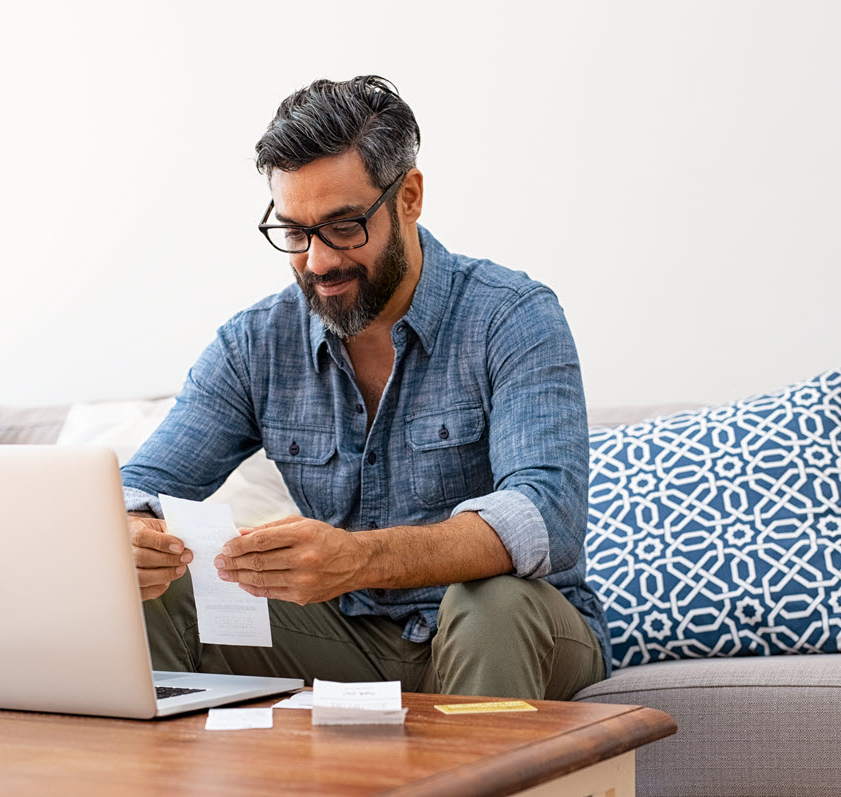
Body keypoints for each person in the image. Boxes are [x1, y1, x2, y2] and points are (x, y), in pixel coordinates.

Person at [122, 75, 609, 700]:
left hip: (517, 635)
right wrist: (131, 537)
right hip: (345, 637)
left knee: (492, 601)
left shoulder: (512, 316)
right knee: (150, 595)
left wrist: (360, 558)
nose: (319, 262)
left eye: (345, 225)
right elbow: (139, 487)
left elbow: (546, 515)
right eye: (295, 233)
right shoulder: (254, 343)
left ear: (408, 196)